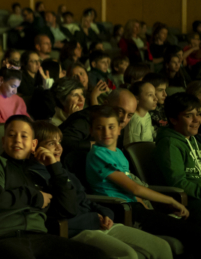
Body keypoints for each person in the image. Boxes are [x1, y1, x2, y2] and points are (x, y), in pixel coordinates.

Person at [0, 115, 108, 259]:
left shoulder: (38, 173)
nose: (17, 140)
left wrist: (55, 167)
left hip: (39, 236)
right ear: (3, 142)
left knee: (99, 255)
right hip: (0, 236)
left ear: (33, 145)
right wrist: (35, 196)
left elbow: (69, 209)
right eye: (11, 135)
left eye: (24, 136)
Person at [31, 121, 173, 259]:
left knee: (162, 247)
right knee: (127, 254)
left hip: (98, 223)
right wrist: (94, 218)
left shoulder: (63, 171)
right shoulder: (36, 176)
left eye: (59, 142)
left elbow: (85, 199)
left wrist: (105, 213)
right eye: (51, 143)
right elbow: (66, 211)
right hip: (78, 231)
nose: (58, 147)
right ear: (35, 147)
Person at [86, 105, 201, 254]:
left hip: (136, 206)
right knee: (194, 233)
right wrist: (171, 200)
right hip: (123, 210)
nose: (106, 132)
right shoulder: (97, 155)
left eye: (111, 127)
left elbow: (131, 188)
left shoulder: (118, 152)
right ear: (91, 131)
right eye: (100, 128)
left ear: (120, 129)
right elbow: (135, 188)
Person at [59, 88, 137, 179]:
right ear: (105, 104)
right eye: (120, 111)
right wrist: (96, 144)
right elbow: (63, 141)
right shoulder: (86, 119)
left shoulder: (118, 125)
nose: (124, 119)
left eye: (129, 115)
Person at [153, 92, 201, 226]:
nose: (196, 119)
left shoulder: (193, 139)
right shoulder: (169, 144)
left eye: (198, 114)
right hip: (187, 200)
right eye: (188, 115)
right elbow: (178, 182)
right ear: (173, 119)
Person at [123, 80, 158, 146]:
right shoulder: (134, 120)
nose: (156, 98)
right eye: (150, 95)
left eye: (155, 94)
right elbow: (133, 147)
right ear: (137, 99)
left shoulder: (146, 114)